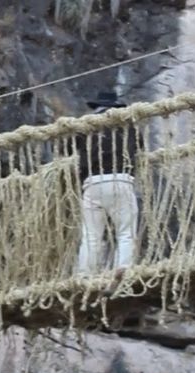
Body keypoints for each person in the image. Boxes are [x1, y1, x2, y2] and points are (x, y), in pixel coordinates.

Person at [74, 92, 140, 274]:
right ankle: (122, 271)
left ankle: (85, 275)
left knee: (91, 236)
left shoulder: (85, 126)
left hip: (92, 183)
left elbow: (75, 147)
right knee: (126, 233)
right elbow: (139, 148)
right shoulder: (127, 125)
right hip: (120, 179)